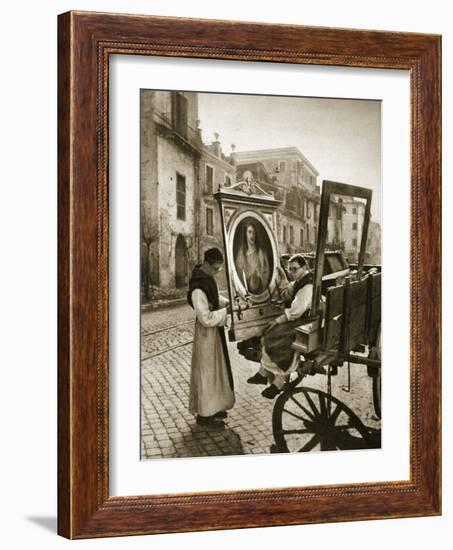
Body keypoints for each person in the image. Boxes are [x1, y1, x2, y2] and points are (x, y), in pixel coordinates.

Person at [247, 254, 313, 398]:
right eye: (290, 269)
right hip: (301, 319)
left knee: (275, 336)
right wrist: (282, 277)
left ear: (304, 267)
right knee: (270, 333)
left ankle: (278, 382)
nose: (292, 272)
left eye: (295, 269)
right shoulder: (301, 280)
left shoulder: (307, 285)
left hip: (305, 322)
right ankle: (264, 373)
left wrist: (277, 321)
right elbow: (288, 293)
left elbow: (296, 311)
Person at [187, 247, 235, 429]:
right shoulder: (198, 288)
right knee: (207, 374)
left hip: (214, 335)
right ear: (206, 264)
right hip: (206, 335)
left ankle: (215, 407)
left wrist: (226, 303)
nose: (217, 272)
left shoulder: (207, 279)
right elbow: (205, 318)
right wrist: (226, 312)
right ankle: (204, 415)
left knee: (216, 372)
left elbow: (214, 298)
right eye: (215, 268)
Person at [234, 220, 270, 294]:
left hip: (259, 291)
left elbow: (266, 274)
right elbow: (237, 275)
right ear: (245, 234)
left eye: (254, 233)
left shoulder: (261, 253)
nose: (252, 235)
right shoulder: (241, 254)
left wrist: (258, 279)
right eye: (249, 232)